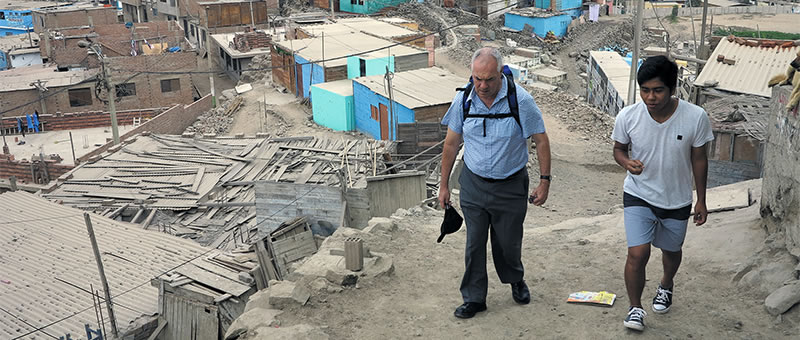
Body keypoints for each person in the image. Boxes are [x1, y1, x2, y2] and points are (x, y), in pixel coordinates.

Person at [438, 47, 551, 319]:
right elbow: (451, 144)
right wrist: (443, 185)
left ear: (500, 74)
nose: (482, 86)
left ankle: (515, 279)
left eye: (489, 79)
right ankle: (474, 298)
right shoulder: (464, 100)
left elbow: (541, 140)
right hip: (474, 184)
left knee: (508, 242)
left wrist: (544, 181)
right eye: (477, 78)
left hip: (511, 185)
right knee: (474, 244)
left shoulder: (520, 101)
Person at [611, 56, 714, 331]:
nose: (650, 97)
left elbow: (700, 159)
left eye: (657, 90)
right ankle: (635, 309)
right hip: (638, 194)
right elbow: (618, 150)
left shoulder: (695, 117)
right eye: (645, 90)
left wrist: (701, 199)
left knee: (671, 249)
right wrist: (626, 162)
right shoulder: (628, 116)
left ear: (672, 88)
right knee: (637, 253)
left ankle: (666, 284)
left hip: (676, 199)